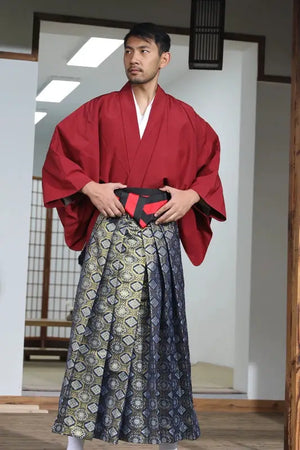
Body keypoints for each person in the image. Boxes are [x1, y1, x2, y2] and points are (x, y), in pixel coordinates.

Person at [42, 22, 226, 450]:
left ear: (164, 59)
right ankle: (77, 440)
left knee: (160, 333)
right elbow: (60, 153)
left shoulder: (185, 119)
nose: (133, 58)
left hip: (159, 235)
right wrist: (90, 187)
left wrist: (191, 195)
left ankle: (167, 438)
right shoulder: (100, 110)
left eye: (143, 50)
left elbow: (209, 169)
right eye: (128, 51)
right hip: (110, 231)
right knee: (96, 330)